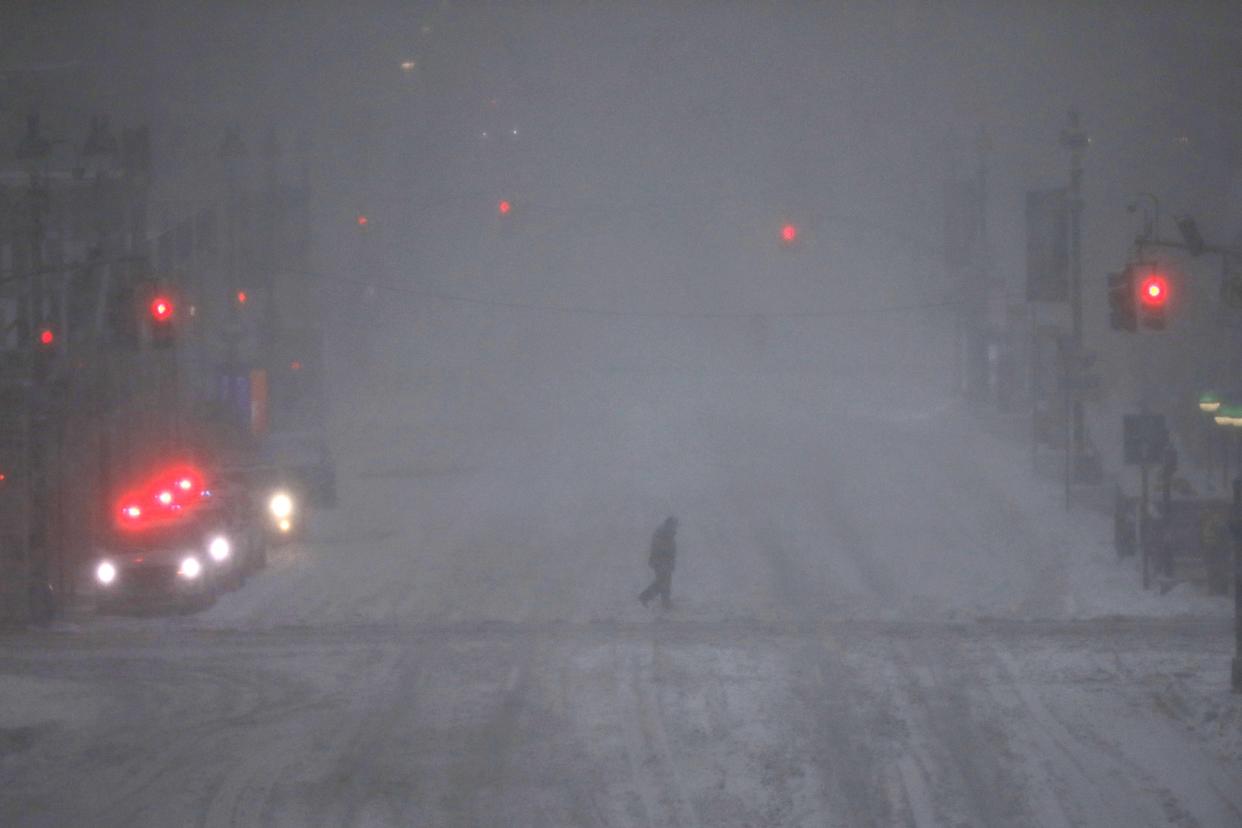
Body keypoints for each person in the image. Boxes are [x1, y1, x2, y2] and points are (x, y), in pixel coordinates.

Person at [639, 516, 678, 609]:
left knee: (664, 582)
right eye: (675, 525)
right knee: (662, 582)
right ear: (669, 524)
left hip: (664, 562)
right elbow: (660, 549)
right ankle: (645, 597)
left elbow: (669, 549)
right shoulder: (663, 533)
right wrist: (667, 559)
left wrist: (671, 561)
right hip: (661, 562)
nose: (676, 527)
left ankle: (664, 602)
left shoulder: (666, 533)